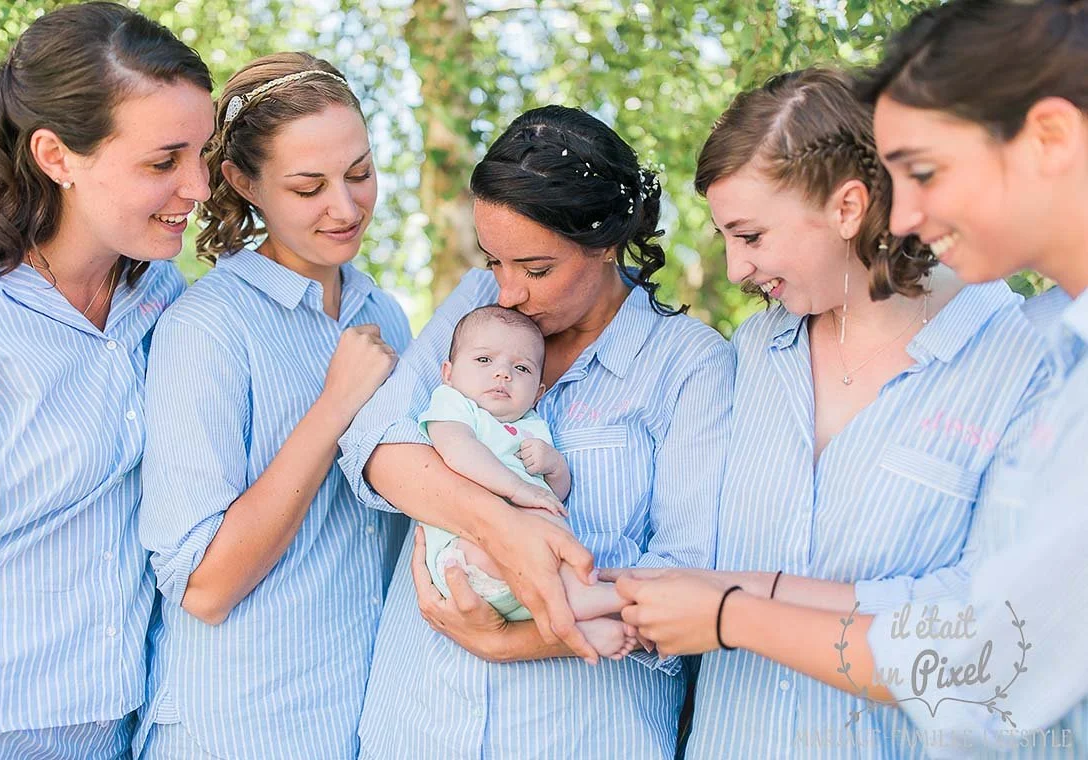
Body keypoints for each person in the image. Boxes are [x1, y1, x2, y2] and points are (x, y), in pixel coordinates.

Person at [608, 67, 1052, 759]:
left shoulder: (1026, 364)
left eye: (750, 236)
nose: (733, 269)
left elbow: (986, 626)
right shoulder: (755, 351)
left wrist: (741, 610)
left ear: (848, 208)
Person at [338, 105, 734, 758]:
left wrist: (507, 639)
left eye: (536, 268)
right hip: (419, 722)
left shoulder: (687, 362)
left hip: (581, 734)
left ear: (606, 240)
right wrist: (502, 527)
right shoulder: (476, 305)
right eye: (494, 260)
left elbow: (687, 576)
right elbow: (373, 440)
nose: (509, 291)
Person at [0, 4, 213, 757]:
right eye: (164, 161)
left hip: (124, 721)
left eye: (202, 153)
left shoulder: (164, 300)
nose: (196, 186)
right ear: (57, 156)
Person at [134, 53, 409, 759]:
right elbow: (204, 587)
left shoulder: (386, 315)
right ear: (242, 182)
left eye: (360, 173)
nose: (345, 208)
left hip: (363, 720)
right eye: (308, 186)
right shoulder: (207, 328)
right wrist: (335, 405)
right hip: (239, 726)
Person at [418, 304, 633, 657]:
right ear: (449, 373)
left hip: (529, 577)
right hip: (466, 554)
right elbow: (457, 451)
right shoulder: (454, 406)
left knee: (549, 526)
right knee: (538, 533)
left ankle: (584, 626)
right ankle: (582, 600)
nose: (502, 374)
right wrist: (519, 489)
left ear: (538, 392)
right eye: (484, 361)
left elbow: (552, 495)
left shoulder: (531, 425)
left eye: (520, 368)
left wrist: (555, 467)